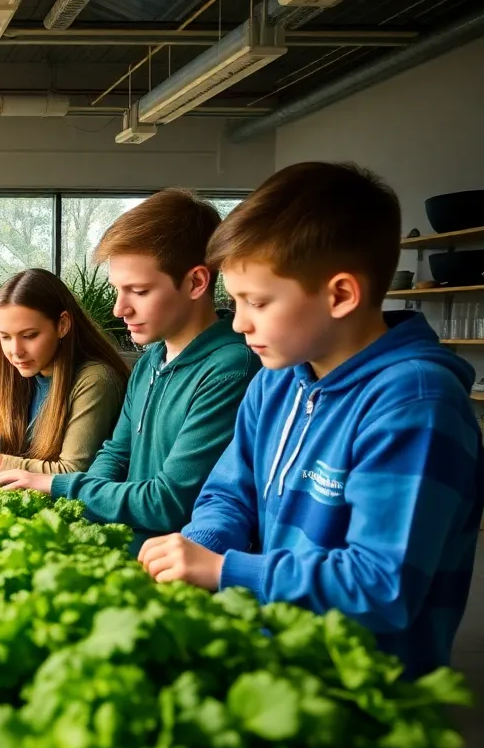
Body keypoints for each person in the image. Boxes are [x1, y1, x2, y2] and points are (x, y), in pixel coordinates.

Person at [138, 161, 484, 678]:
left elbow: (381, 586)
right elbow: (229, 494)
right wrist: (197, 546)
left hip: (364, 691)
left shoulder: (414, 403)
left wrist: (225, 570)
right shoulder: (275, 379)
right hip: (279, 659)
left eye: (257, 301)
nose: (239, 323)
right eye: (235, 301)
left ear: (340, 294)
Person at [0, 189, 259, 553]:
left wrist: (58, 486)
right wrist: (76, 511)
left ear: (196, 282)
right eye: (118, 290)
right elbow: (114, 455)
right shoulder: (149, 362)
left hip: (172, 569)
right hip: (119, 544)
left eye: (139, 291)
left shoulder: (230, 368)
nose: (119, 309)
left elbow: (168, 503)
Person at [0, 268, 128, 475]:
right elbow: (21, 453)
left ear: (62, 325)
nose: (15, 351)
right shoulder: (18, 374)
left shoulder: (96, 379)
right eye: (5, 337)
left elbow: (73, 472)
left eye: (29, 335)